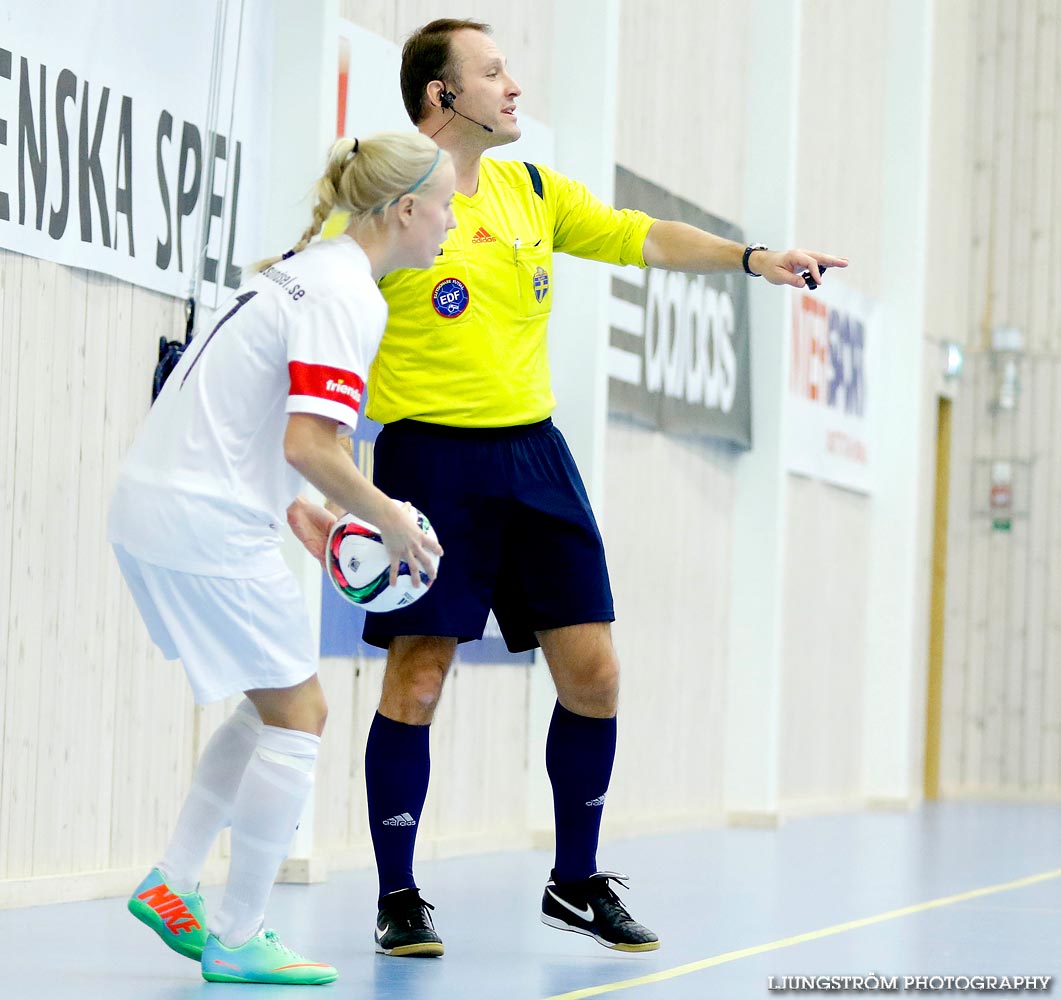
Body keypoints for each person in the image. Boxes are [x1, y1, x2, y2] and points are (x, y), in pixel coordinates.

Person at [357, 18, 848, 958]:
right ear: (439, 94)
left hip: (534, 453)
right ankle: (399, 896)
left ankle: (575, 881)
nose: (513, 87)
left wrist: (753, 259)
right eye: (492, 72)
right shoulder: (387, 189)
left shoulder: (530, 185)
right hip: (430, 458)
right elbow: (330, 301)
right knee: (419, 675)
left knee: (594, 672)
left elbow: (639, 236)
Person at [108, 131, 455, 984]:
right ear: (406, 209)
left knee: (269, 706)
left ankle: (172, 883)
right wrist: (391, 523)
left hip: (157, 504)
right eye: (446, 205)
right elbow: (310, 440)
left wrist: (304, 511)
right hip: (207, 523)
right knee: (302, 715)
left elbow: (249, 423)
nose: (452, 221)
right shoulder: (349, 296)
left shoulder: (304, 269)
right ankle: (236, 936)